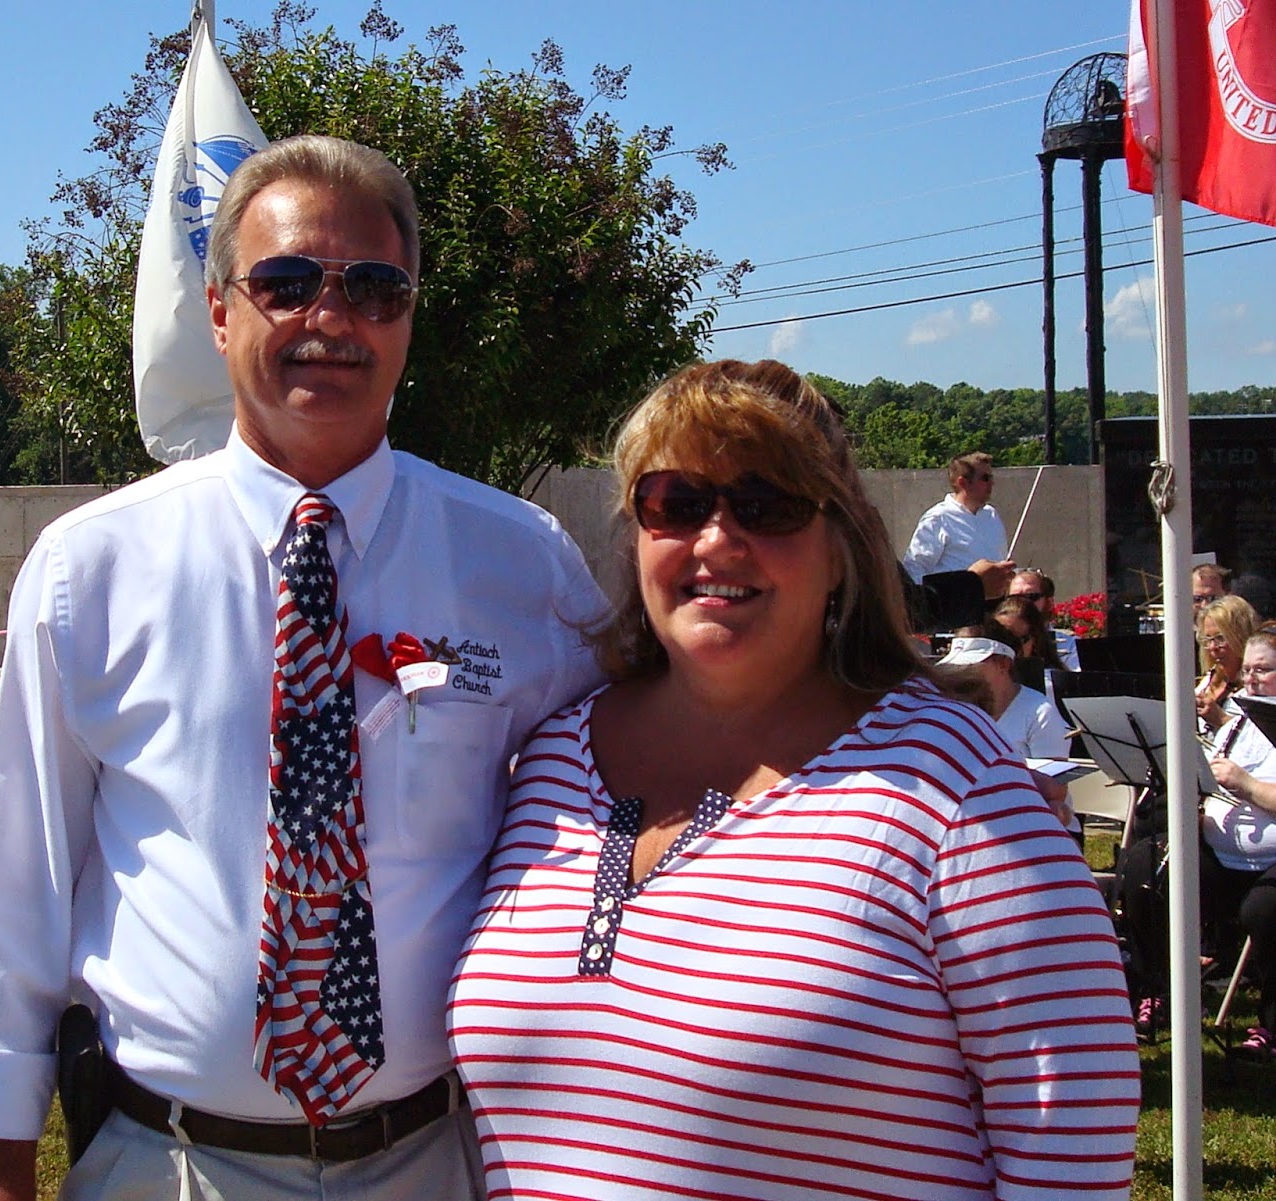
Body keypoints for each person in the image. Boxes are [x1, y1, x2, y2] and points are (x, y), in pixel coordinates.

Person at [0, 136, 606, 1201]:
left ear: (408, 316)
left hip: (437, 1162)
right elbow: (20, 882)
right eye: (285, 283)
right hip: (166, 1164)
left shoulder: (523, 565)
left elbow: (614, 820)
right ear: (218, 312)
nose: (329, 320)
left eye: (373, 287)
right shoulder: (90, 569)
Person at [448, 360, 1139, 1200]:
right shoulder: (548, 758)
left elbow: (1072, 1153)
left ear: (843, 551)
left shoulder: (956, 790)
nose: (715, 539)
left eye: (767, 504)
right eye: (676, 501)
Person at [1122, 631, 1276, 1049]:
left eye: (1263, 670)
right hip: (1220, 852)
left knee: (1265, 910)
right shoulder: (1237, 724)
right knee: (1143, 871)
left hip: (1269, 864)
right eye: (1247, 670)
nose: (1251, 679)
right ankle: (1162, 988)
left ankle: (1271, 1022)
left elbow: (1247, 786)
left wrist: (1245, 785)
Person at [939, 621, 1079, 838]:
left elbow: (1056, 790)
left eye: (971, 666)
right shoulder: (957, 711)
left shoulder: (1039, 710)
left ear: (1003, 664)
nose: (962, 673)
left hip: (1038, 827)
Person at [901, 451, 1012, 584]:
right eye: (985, 478)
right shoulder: (938, 518)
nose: (992, 484)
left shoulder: (992, 515)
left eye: (991, 478)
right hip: (953, 602)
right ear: (963, 483)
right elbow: (914, 571)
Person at [1197, 595, 1259, 736]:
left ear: (1241, 636)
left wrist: (1222, 719)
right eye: (1208, 639)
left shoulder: (1257, 686)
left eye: (1220, 638)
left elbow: (1262, 742)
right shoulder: (1208, 680)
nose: (1213, 647)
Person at [1008, 567, 1081, 670]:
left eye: (1031, 597)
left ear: (1049, 602)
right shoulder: (997, 645)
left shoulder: (1071, 645)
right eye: (1014, 598)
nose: (1022, 604)